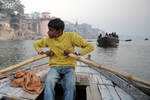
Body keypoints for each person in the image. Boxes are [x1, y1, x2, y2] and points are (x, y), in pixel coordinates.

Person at [33, 18, 94, 100]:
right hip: (55, 67)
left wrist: (76, 53)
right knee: (48, 82)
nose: (48, 32)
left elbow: (90, 46)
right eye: (48, 29)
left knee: (70, 85)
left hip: (69, 67)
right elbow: (36, 44)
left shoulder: (71, 36)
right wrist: (42, 52)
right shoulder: (48, 39)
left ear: (59, 31)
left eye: (51, 30)